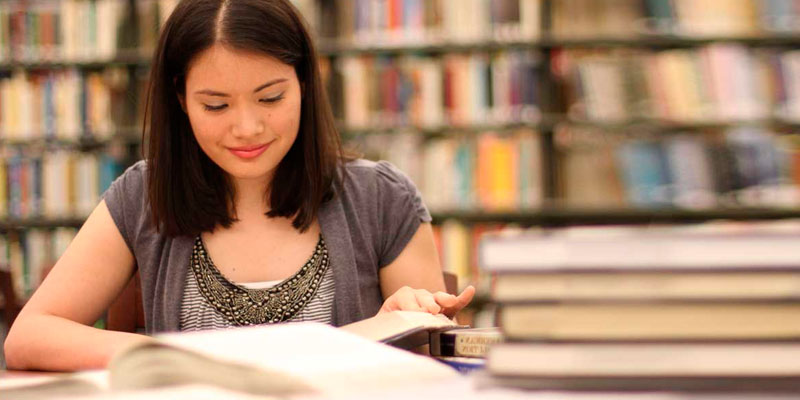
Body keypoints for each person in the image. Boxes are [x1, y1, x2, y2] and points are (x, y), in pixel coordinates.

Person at [4, 0, 474, 371]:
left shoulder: (380, 198)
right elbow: (29, 337)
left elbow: (431, 363)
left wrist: (412, 318)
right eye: (215, 105)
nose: (247, 128)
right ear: (180, 99)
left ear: (306, 85)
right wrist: (191, 358)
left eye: (270, 97)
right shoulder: (143, 195)